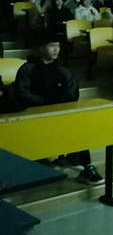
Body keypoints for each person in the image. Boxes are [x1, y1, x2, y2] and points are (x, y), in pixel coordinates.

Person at [14, 36, 104, 185]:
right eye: (51, 46)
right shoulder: (27, 69)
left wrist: (57, 105)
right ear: (41, 48)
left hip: (59, 114)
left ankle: (87, 168)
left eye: (58, 46)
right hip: (35, 116)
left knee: (78, 125)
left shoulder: (63, 71)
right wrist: (48, 103)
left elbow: (73, 94)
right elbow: (23, 94)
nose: (56, 49)